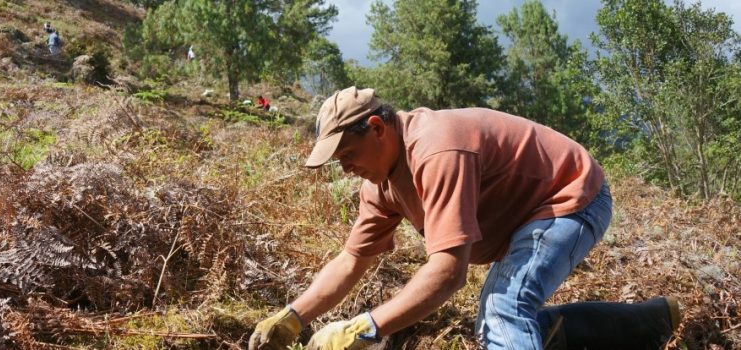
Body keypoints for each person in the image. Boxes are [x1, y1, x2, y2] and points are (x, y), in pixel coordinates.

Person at [248, 86, 681, 350]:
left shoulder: (437, 150)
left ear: (378, 129)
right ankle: (650, 322)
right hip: (525, 216)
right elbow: (350, 261)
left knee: (504, 310)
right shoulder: (378, 183)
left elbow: (448, 272)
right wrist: (292, 318)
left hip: (569, 195)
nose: (344, 168)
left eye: (347, 154)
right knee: (509, 322)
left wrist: (364, 328)